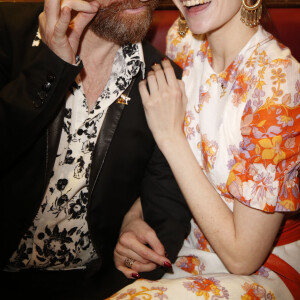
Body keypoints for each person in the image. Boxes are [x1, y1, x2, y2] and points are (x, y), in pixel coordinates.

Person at [0, 0, 192, 299]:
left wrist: (137, 248)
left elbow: (167, 210)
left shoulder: (164, 80)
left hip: (95, 285)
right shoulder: (9, 29)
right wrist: (51, 65)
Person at [109, 0, 300, 299]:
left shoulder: (278, 82)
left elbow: (242, 258)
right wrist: (134, 219)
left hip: (261, 270)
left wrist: (171, 137)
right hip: (182, 247)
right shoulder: (183, 41)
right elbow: (165, 171)